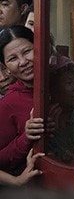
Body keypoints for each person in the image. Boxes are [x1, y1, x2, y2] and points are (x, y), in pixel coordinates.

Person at [0, 25, 40, 175]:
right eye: (13, 58)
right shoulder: (8, 103)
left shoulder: (60, 84)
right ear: (6, 68)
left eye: (27, 51)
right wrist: (26, 136)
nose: (23, 62)